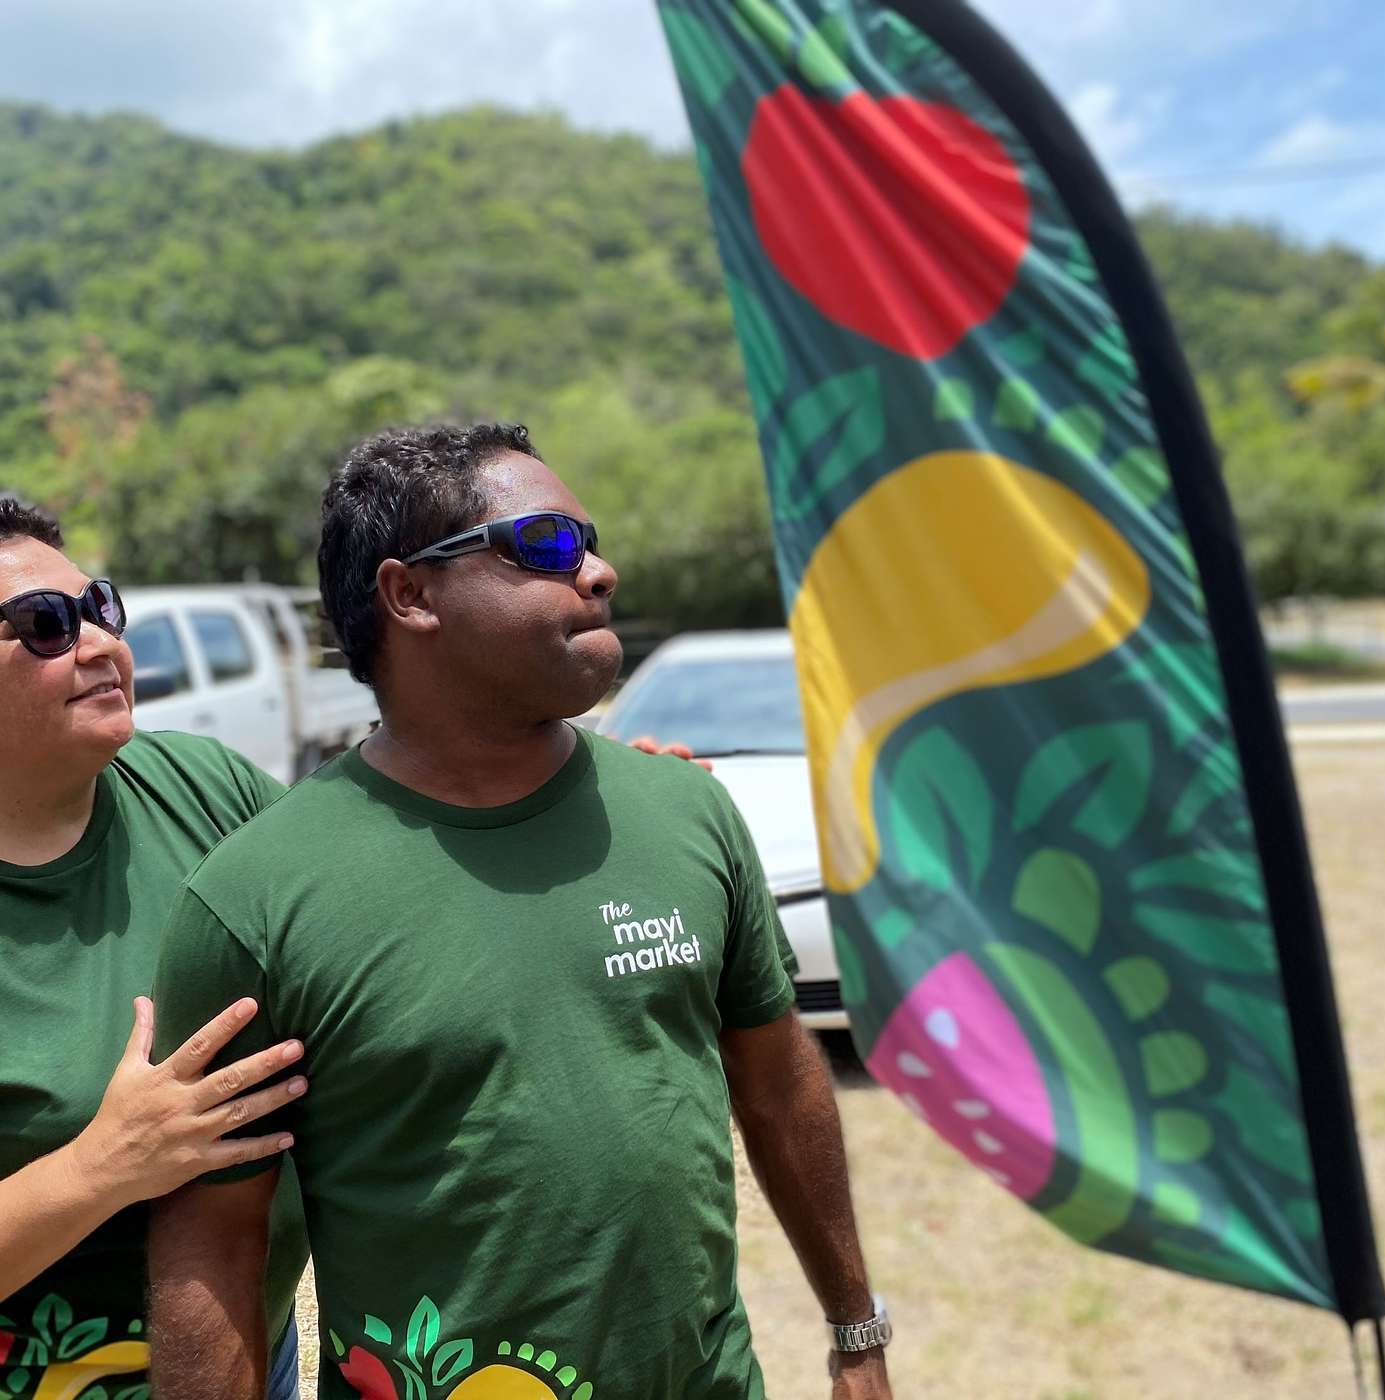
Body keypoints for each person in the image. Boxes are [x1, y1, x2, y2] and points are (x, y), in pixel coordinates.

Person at [146, 422, 895, 1400]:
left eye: (588, 540)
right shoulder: (256, 899)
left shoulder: (687, 809)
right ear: (409, 593)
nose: (598, 571)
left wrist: (856, 1330)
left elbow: (779, 1081)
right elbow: (216, 1245)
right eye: (545, 544)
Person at [0, 497, 310, 1400]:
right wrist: (107, 1165)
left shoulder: (208, 790)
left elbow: (392, 902)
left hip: (243, 1357)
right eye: (46, 626)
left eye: (99, 607)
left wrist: (593, 827)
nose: (99, 643)